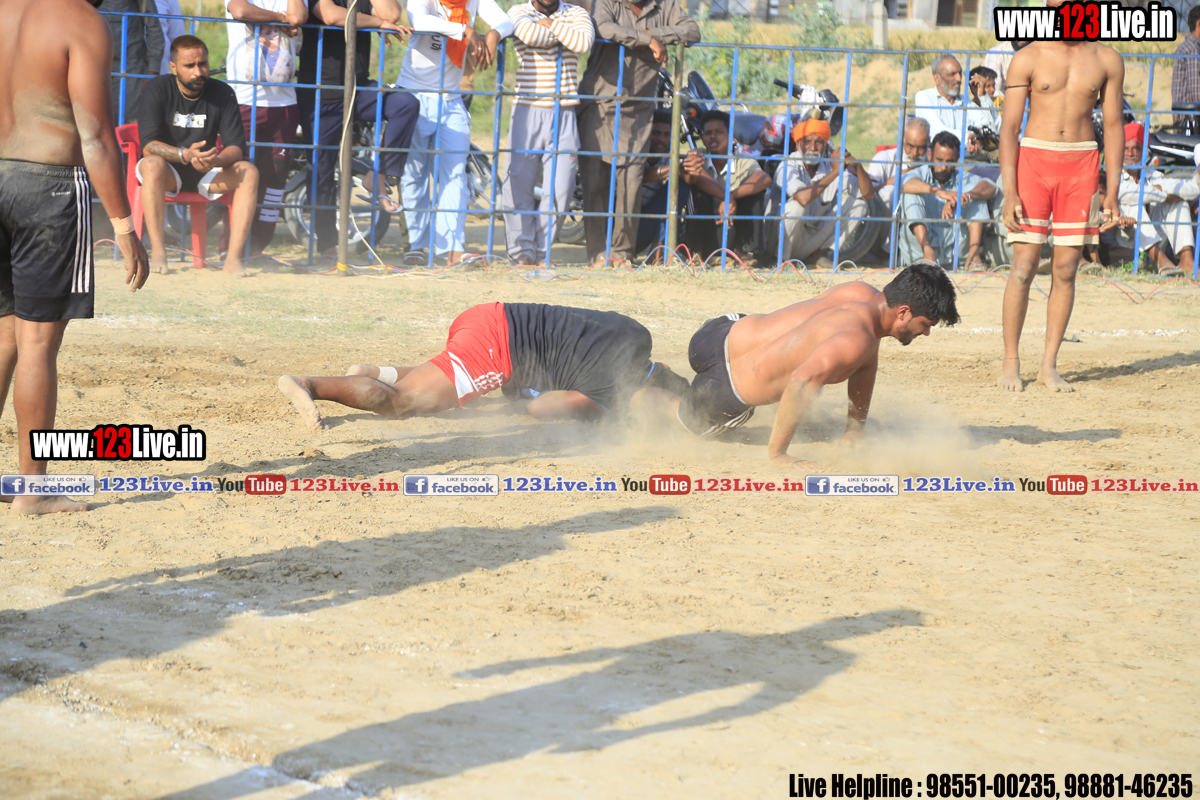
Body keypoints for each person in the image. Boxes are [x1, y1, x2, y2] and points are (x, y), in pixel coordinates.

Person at [0, 0, 151, 514]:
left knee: (3, 338)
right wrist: (124, 225)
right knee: (36, 345)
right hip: (49, 187)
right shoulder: (80, 20)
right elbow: (96, 137)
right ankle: (32, 492)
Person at [631, 264, 960, 468]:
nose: (926, 333)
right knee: (689, 423)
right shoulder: (858, 339)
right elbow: (802, 382)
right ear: (903, 312)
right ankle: (637, 392)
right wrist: (779, 454)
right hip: (724, 390)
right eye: (926, 324)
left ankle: (665, 376)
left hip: (718, 333)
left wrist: (854, 431)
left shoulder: (860, 294)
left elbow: (864, 365)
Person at [278, 303, 688, 427]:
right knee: (404, 403)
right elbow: (539, 407)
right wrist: (603, 415)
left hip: (493, 317)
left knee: (456, 392)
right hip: (499, 345)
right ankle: (309, 384)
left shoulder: (636, 336)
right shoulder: (612, 385)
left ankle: (374, 374)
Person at [999, 9, 1124, 393]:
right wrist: (1009, 190)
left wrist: (1112, 193)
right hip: (1034, 162)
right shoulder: (1027, 56)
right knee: (1023, 266)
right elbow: (1009, 128)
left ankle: (1048, 365)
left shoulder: (1107, 59)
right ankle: (1010, 362)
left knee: (1067, 269)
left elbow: (1114, 126)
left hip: (1082, 165)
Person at [577, 0, 699, 268]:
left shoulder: (664, 6)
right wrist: (646, 40)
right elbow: (603, 27)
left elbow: (692, 30)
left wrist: (652, 35)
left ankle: (622, 254)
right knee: (595, 184)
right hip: (599, 105)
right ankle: (598, 254)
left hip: (638, 112)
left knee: (630, 185)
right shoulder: (607, 3)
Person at [396, 0, 514, 267]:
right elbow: (419, 20)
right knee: (414, 174)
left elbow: (506, 21)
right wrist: (466, 30)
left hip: (452, 100)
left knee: (455, 175)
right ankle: (417, 244)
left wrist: (494, 34)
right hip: (414, 95)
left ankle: (452, 249)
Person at [297, 0, 419, 254]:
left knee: (404, 104)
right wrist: (378, 23)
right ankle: (328, 246)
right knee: (321, 170)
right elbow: (330, 15)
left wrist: (382, 20)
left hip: (358, 89)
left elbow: (392, 13)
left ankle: (378, 175)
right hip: (321, 93)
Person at [136, 35, 260, 276]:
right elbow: (148, 146)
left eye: (202, 64)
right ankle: (159, 253)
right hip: (167, 172)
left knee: (249, 172)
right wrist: (185, 154)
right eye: (189, 65)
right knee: (151, 164)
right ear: (173, 67)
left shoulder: (223, 92)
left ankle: (233, 259)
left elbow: (236, 147)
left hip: (207, 171)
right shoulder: (157, 88)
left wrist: (215, 161)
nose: (198, 72)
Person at [501, 0, 594, 267]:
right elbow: (529, 35)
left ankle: (542, 253)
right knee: (517, 183)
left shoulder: (576, 12)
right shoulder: (518, 11)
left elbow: (583, 43)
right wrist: (563, 33)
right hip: (527, 107)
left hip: (564, 109)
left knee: (561, 188)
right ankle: (522, 252)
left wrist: (551, 24)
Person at [225, 0, 307, 253]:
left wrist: (286, 18)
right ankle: (230, 246)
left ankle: (259, 246)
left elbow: (298, 17)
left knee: (275, 177)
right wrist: (280, 18)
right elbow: (240, 10)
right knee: (239, 173)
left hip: (284, 102)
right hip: (244, 99)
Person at [777, 118, 874, 267]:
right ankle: (782, 262)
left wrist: (858, 167)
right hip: (780, 240)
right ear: (797, 145)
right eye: (807, 142)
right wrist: (835, 172)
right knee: (797, 207)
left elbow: (868, 196)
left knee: (859, 206)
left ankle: (819, 255)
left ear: (826, 145)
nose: (812, 148)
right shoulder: (788, 164)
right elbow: (802, 198)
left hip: (810, 240)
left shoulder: (829, 165)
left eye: (818, 142)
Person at [680, 110, 772, 265]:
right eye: (708, 133)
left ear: (731, 136)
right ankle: (695, 253)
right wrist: (727, 198)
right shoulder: (698, 155)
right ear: (702, 138)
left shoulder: (742, 160)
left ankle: (742, 251)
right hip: (702, 232)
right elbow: (695, 175)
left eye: (719, 132)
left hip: (730, 230)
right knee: (694, 185)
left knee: (755, 191)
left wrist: (733, 196)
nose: (713, 136)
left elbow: (764, 179)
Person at [899, 130, 996, 269]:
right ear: (929, 156)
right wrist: (940, 192)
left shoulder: (962, 177)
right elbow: (904, 182)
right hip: (919, 255)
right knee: (911, 194)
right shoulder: (919, 174)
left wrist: (966, 196)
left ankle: (974, 256)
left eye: (949, 162)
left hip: (956, 254)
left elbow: (990, 186)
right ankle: (927, 252)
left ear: (957, 159)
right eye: (939, 160)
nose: (943, 167)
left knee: (976, 195)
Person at [1109, 122, 1194, 277]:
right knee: (1133, 201)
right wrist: (1163, 194)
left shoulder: (1154, 175)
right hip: (1127, 243)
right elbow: (1126, 193)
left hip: (1159, 239)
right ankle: (1160, 259)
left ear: (1144, 152)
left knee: (1179, 201)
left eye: (1136, 148)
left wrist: (1163, 191)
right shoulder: (1115, 177)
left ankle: (1187, 259)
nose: (1130, 153)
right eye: (1126, 148)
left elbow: (1190, 189)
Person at [913, 54, 996, 157]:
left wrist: (982, 95)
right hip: (939, 161)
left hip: (968, 159)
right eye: (952, 74)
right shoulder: (924, 97)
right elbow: (937, 131)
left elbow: (989, 127)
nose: (959, 79)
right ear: (937, 78)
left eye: (960, 73)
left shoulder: (965, 101)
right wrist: (968, 138)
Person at [636, 109, 689, 256]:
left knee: (681, 185)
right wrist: (674, 169)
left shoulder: (667, 158)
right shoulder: (633, 155)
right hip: (620, 230)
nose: (661, 139)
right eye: (655, 133)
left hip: (643, 227)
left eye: (667, 135)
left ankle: (659, 254)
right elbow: (638, 176)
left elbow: (693, 177)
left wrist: (729, 197)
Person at [866, 116, 930, 208]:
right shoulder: (883, 159)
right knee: (888, 192)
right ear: (902, 140)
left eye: (921, 148)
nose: (915, 153)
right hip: (885, 215)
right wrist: (893, 181)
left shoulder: (936, 162)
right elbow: (869, 195)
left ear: (928, 142)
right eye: (910, 146)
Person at [1172, 6, 1200, 126]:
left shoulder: (1185, 47)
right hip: (1191, 120)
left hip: (1183, 117)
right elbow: (1196, 91)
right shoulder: (1193, 50)